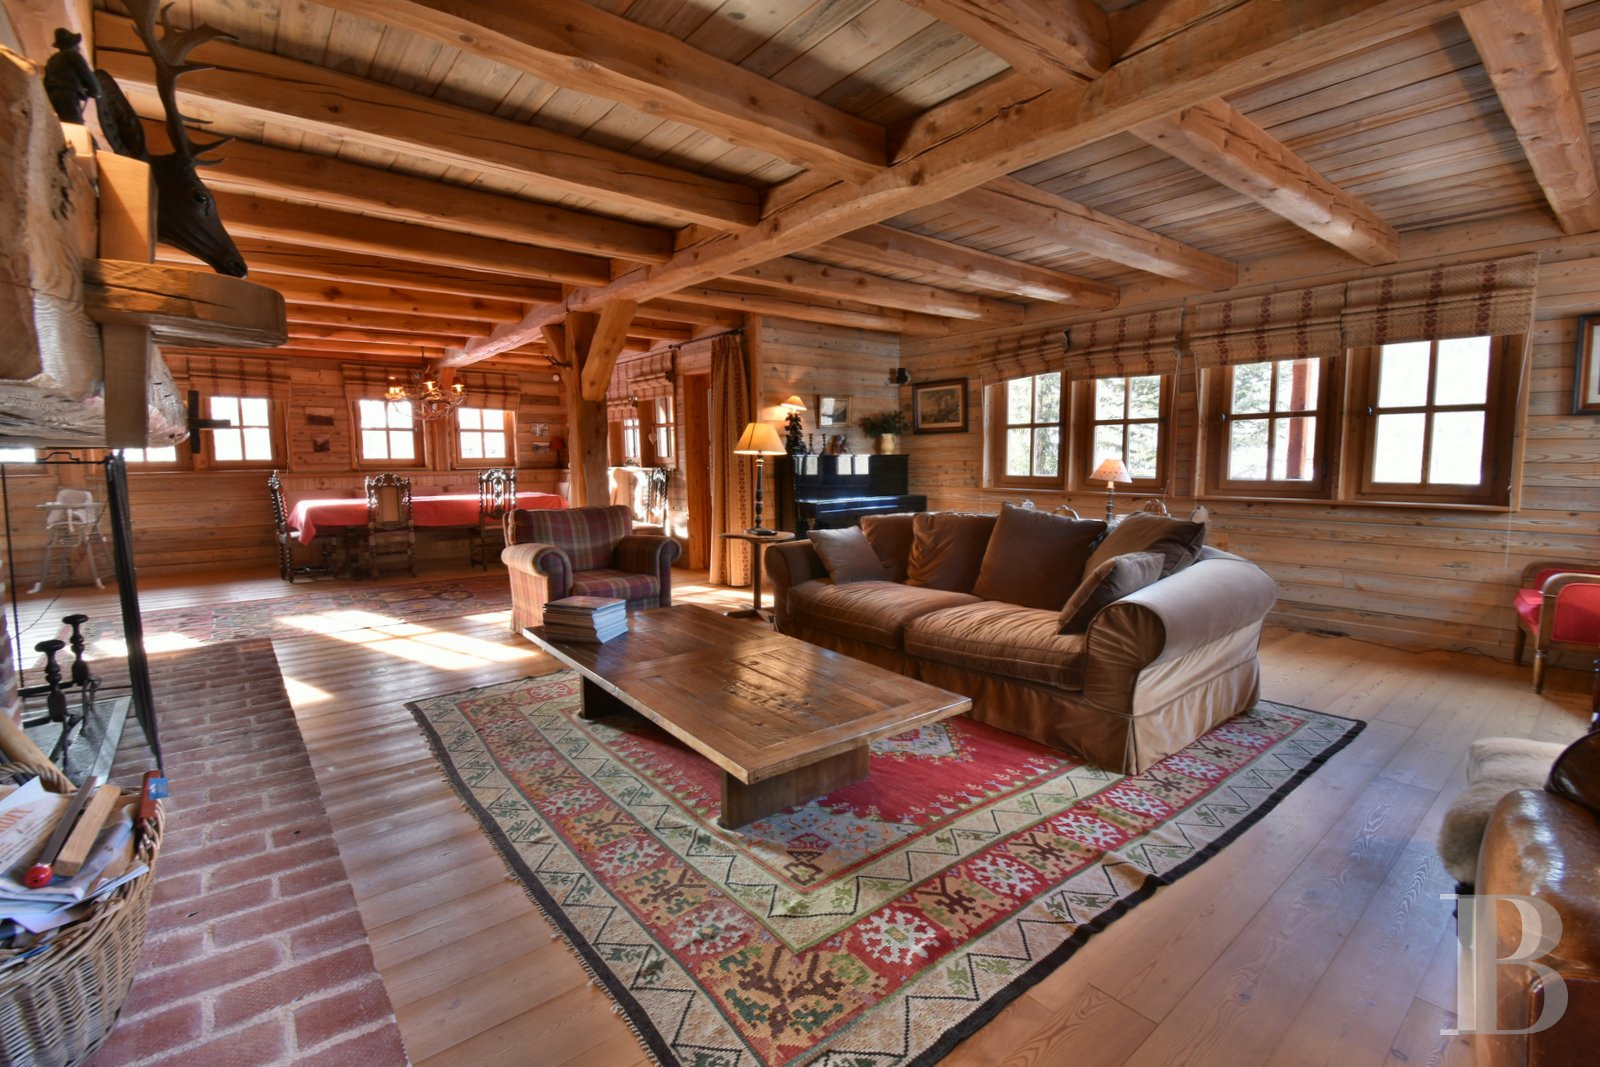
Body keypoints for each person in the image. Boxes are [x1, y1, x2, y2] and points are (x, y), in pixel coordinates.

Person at [43, 27, 98, 124]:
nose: (78, 48)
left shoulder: (51, 60)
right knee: (75, 124)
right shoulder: (72, 55)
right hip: (67, 95)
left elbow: (45, 82)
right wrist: (95, 90)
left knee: (61, 125)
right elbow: (85, 73)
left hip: (53, 97)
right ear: (73, 45)